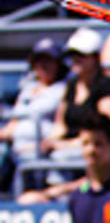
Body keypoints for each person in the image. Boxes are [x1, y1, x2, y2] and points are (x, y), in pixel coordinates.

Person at [44, 28, 110, 161]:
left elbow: (107, 131)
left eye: (81, 55)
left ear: (95, 58)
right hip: (68, 147)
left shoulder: (107, 87)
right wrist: (50, 142)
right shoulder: (71, 86)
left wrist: (66, 145)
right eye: (72, 55)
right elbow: (60, 125)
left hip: (94, 149)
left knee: (60, 157)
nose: (76, 59)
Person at [0, 38, 67, 188]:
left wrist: (38, 145)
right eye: (39, 60)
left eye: (48, 60)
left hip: (40, 150)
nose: (43, 65)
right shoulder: (27, 90)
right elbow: (13, 125)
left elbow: (61, 127)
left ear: (58, 63)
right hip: (15, 148)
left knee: (28, 158)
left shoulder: (64, 90)